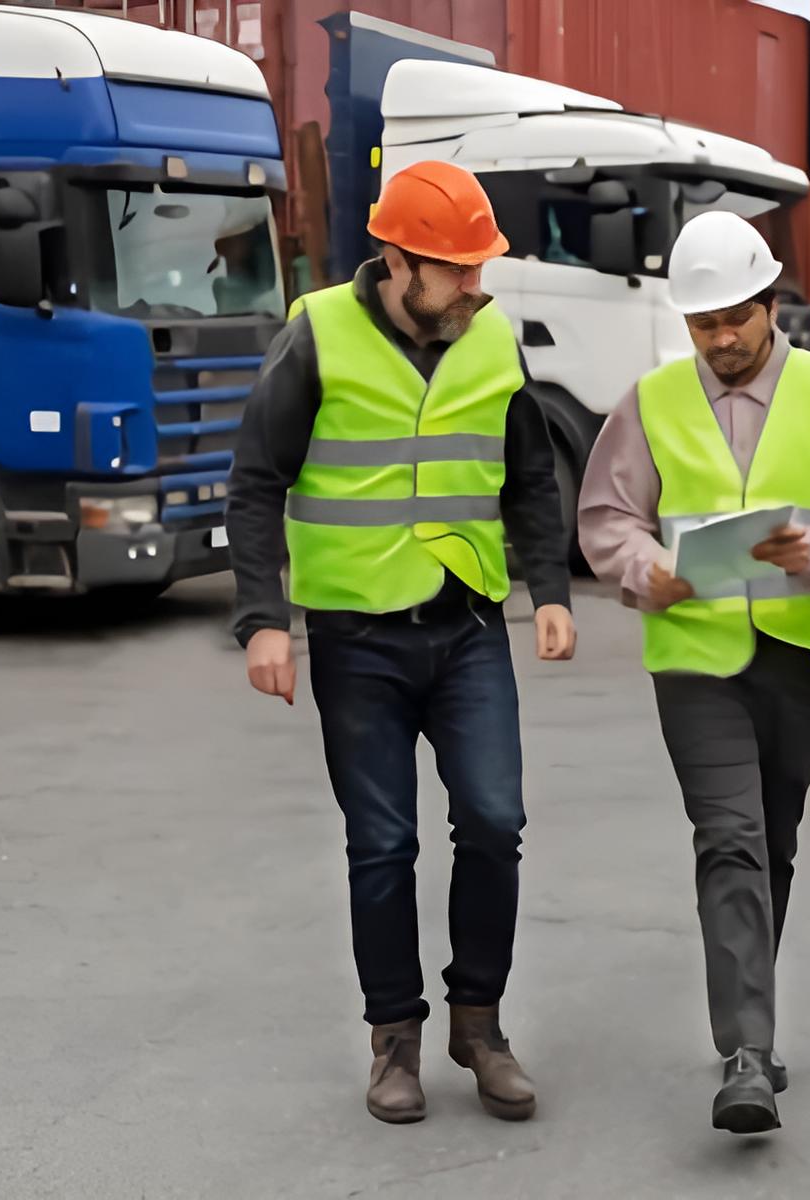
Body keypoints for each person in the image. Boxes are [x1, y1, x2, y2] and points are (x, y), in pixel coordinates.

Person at [227, 161, 577, 1125]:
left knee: (496, 822)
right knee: (382, 844)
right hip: (359, 637)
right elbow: (256, 479)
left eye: (480, 268)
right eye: (457, 271)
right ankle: (395, 1041)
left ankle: (480, 1023)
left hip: (467, 626)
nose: (475, 287)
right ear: (397, 259)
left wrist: (551, 589)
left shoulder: (493, 334)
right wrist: (264, 618)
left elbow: (530, 476)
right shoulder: (319, 332)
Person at [578, 211, 810, 1134]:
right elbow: (609, 516)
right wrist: (649, 569)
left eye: (736, 317)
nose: (721, 338)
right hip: (694, 658)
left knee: (771, 841)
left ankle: (753, 1027)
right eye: (703, 324)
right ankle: (744, 1056)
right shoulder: (647, 405)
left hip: (801, 654)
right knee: (727, 838)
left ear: (771, 305)